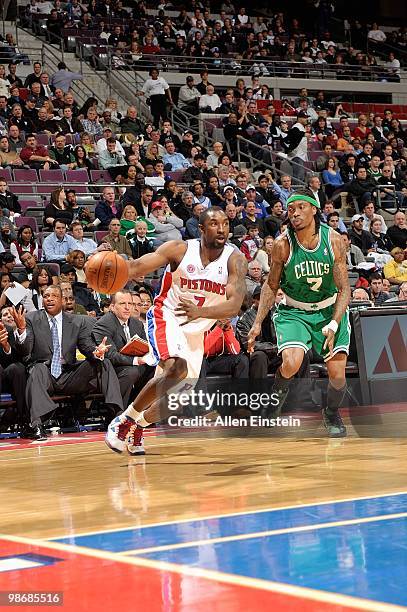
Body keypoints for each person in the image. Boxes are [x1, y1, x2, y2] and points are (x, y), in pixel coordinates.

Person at [104, 207, 247, 455]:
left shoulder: (235, 260)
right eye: (214, 223)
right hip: (167, 315)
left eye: (225, 223)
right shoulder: (179, 250)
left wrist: (200, 313)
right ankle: (124, 421)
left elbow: (234, 306)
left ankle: (139, 426)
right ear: (200, 229)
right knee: (175, 369)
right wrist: (111, 267)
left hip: (196, 330)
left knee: (175, 402)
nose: (221, 228)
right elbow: (136, 267)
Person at [247, 188, 352, 437]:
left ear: (314, 209)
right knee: (291, 363)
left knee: (337, 377)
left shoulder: (334, 240)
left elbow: (344, 288)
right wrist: (258, 322)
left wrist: (335, 323)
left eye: (300, 208)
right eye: (290, 209)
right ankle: (275, 402)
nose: (294, 213)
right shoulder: (282, 244)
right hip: (294, 311)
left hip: (329, 310)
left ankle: (330, 412)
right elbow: (271, 285)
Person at [14, 286, 123, 440]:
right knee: (37, 368)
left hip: (69, 375)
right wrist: (21, 331)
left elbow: (86, 346)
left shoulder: (76, 321)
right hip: (45, 375)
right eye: (46, 296)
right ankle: (36, 424)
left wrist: (96, 352)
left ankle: (117, 416)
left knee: (103, 362)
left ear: (63, 300)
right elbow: (25, 352)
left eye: (53, 296)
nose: (49, 299)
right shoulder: (31, 319)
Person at [92, 290, 152, 411]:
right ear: (112, 307)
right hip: (111, 369)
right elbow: (112, 356)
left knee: (154, 368)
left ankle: (141, 410)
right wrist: (136, 360)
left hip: (132, 364)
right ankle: (118, 412)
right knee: (131, 372)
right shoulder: (103, 324)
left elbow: (146, 347)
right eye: (122, 303)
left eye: (130, 304)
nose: (127, 307)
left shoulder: (137, 324)